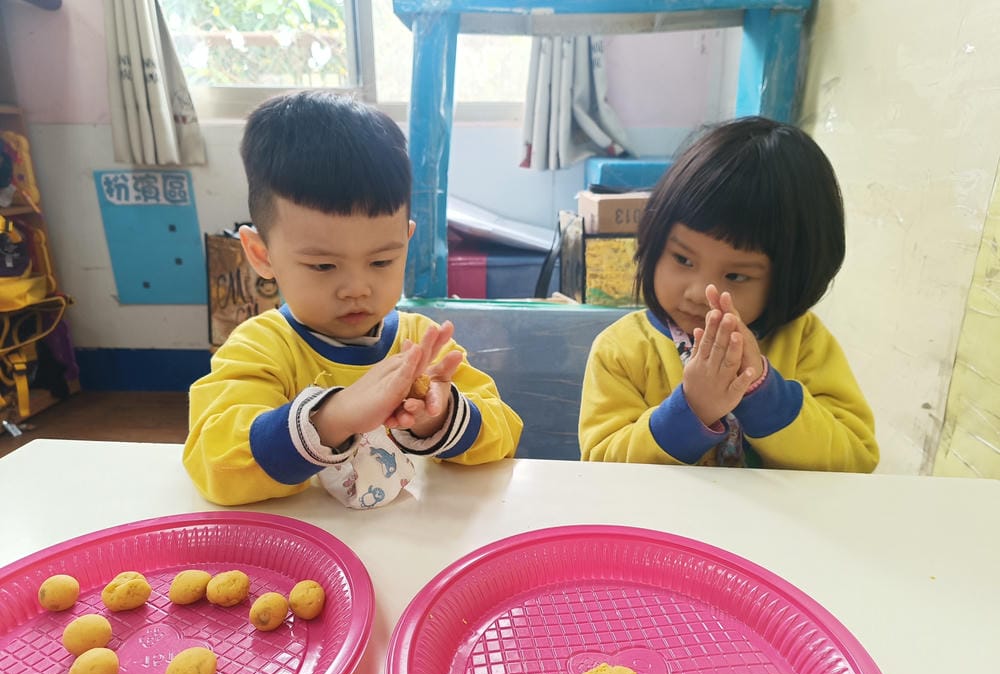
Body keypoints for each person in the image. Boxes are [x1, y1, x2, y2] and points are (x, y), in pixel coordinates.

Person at [184, 91, 522, 508]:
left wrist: (440, 416)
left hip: (411, 536)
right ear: (261, 254)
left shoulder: (421, 344)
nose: (357, 288)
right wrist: (331, 419)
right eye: (323, 266)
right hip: (300, 542)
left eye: (381, 261)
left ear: (406, 242)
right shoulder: (260, 348)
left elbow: (504, 436)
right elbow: (213, 463)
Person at [579, 116, 878, 472]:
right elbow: (600, 468)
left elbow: (856, 460)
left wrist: (763, 392)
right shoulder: (621, 350)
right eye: (683, 259)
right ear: (655, 242)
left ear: (789, 279)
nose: (698, 293)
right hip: (658, 509)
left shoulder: (804, 342)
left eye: (736, 275)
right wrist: (692, 409)